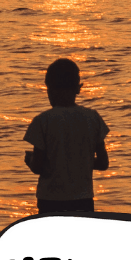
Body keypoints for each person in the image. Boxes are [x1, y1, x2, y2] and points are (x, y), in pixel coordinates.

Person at [23, 59, 109, 214]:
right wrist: (81, 161)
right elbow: (103, 163)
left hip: (50, 200)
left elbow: (37, 167)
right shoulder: (93, 118)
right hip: (83, 199)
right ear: (78, 88)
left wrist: (29, 160)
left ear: (50, 89)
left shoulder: (43, 121)